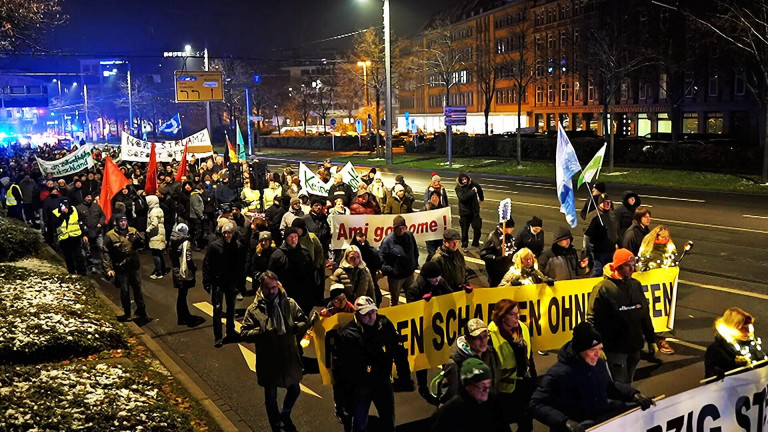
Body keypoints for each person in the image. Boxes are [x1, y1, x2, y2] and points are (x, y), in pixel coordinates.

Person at [529, 321, 656, 432]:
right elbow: (535, 404)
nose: (598, 354)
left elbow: (608, 386)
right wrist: (565, 422)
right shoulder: (558, 373)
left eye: (600, 349)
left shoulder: (599, 364)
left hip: (599, 425)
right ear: (580, 351)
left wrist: (633, 394)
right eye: (592, 350)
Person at [332, 296, 414, 432]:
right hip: (360, 386)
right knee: (359, 424)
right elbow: (340, 370)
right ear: (357, 314)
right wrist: (341, 401)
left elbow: (399, 351)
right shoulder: (347, 334)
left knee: (388, 421)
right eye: (366, 314)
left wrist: (405, 377)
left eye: (373, 312)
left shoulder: (384, 324)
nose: (371, 317)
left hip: (382, 381)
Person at [240, 271, 308, 432]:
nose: (272, 291)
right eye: (268, 288)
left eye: (274, 288)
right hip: (268, 358)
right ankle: (275, 423)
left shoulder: (288, 303)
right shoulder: (254, 309)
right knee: (270, 396)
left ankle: (285, 414)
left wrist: (295, 327)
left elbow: (302, 319)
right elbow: (244, 333)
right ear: (261, 288)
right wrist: (263, 332)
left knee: (294, 389)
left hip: (288, 356)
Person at [587, 248, 665, 384]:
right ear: (618, 266)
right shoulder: (603, 288)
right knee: (620, 383)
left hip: (634, 346)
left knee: (628, 381)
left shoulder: (636, 285)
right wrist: (597, 346)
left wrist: (651, 339)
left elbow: (644, 314)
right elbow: (592, 320)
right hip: (615, 348)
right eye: (628, 266)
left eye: (633, 265)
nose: (632, 269)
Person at [488, 299, 536, 431]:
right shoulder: (491, 335)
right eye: (512, 314)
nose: (517, 317)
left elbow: (530, 359)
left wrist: (534, 384)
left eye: (518, 313)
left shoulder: (523, 329)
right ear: (502, 316)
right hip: (504, 391)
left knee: (526, 425)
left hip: (524, 386)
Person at [432, 358, 510, 432]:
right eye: (481, 386)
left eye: (488, 385)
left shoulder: (494, 403)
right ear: (468, 387)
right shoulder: (450, 412)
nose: (486, 390)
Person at [438, 318, 500, 406]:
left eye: (485, 336)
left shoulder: (491, 353)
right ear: (468, 340)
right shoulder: (454, 364)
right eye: (478, 338)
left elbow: (495, 384)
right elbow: (447, 401)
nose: (483, 341)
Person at [203, 223, 246, 347]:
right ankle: (218, 336)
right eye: (225, 233)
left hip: (231, 282)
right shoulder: (214, 246)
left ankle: (230, 331)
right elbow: (207, 264)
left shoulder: (237, 247)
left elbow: (240, 267)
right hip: (217, 283)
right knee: (217, 309)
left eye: (230, 233)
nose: (227, 235)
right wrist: (206, 282)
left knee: (231, 308)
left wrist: (241, 284)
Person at [102, 214, 147, 322]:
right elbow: (106, 252)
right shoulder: (110, 235)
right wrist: (108, 268)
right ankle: (127, 313)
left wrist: (136, 240)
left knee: (138, 290)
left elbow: (142, 245)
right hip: (121, 268)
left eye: (125, 221)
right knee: (125, 290)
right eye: (121, 221)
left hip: (133, 266)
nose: (123, 223)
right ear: (116, 223)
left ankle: (142, 311)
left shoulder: (132, 231)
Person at [705, 307, 768, 379]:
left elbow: (760, 362)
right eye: (742, 328)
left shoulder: (750, 342)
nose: (748, 331)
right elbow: (710, 378)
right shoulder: (716, 350)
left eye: (749, 326)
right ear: (731, 328)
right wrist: (715, 373)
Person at [268, 227, 316, 315]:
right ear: (286, 239)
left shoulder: (305, 253)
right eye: (290, 237)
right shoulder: (277, 256)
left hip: (303, 294)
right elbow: (271, 276)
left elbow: (311, 273)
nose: (294, 240)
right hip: (286, 294)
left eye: (295, 236)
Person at [168, 224, 204, 327]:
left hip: (176, 269)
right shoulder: (186, 242)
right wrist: (194, 268)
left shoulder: (172, 240)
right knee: (183, 295)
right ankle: (185, 318)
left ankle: (182, 317)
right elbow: (188, 259)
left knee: (181, 295)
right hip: (183, 271)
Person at [379, 215, 419, 306]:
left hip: (409, 274)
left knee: (411, 296)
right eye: (399, 228)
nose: (401, 230)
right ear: (394, 228)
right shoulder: (387, 241)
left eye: (403, 228)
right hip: (396, 277)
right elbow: (381, 257)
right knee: (394, 299)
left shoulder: (409, 236)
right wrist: (390, 270)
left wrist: (415, 264)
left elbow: (415, 250)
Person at [583, 194, 618, 277]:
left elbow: (616, 230)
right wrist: (597, 229)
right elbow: (586, 231)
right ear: (600, 203)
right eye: (606, 202)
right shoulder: (594, 215)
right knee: (598, 271)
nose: (608, 204)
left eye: (609, 202)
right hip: (599, 250)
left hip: (611, 249)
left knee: (610, 270)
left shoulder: (612, 215)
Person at [52, 197, 87, 275]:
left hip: (75, 237)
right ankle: (72, 272)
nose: (65, 207)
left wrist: (84, 235)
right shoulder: (55, 212)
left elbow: (80, 222)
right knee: (68, 257)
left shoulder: (74, 210)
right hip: (64, 238)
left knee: (78, 256)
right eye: (63, 205)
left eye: (66, 205)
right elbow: (55, 224)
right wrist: (63, 215)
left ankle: (82, 273)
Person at [350, 230, 384, 307]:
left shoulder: (371, 252)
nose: (362, 244)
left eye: (363, 242)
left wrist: (380, 272)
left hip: (370, 281)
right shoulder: (350, 252)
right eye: (359, 242)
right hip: (354, 284)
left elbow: (379, 264)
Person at [480, 219, 516, 287]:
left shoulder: (508, 236)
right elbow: (483, 254)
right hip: (495, 272)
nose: (513, 229)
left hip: (506, 270)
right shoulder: (492, 238)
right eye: (511, 227)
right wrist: (497, 258)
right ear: (504, 227)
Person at [76, 193, 105, 273]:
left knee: (101, 248)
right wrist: (84, 234)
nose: (89, 198)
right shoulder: (79, 208)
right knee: (88, 251)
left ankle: (104, 266)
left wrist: (101, 223)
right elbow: (78, 221)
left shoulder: (96, 206)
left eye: (90, 196)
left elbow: (102, 215)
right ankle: (91, 266)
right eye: (87, 196)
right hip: (87, 233)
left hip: (97, 231)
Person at [455, 172, 484, 249]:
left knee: (477, 227)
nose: (464, 181)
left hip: (474, 211)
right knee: (464, 230)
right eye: (463, 180)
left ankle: (475, 243)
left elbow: (479, 189)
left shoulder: (473, 184)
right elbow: (463, 198)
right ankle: (464, 245)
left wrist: (481, 199)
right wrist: (472, 192)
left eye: (465, 179)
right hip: (465, 212)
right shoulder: (458, 188)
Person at [145, 195, 167, 279]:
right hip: (161, 232)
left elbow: (154, 223)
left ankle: (158, 272)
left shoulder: (153, 212)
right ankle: (163, 269)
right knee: (159, 253)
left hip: (155, 234)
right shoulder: (159, 209)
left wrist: (148, 229)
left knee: (155, 254)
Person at [423, 189, 448, 261]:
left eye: (436, 197)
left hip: (439, 235)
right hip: (429, 235)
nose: (434, 199)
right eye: (432, 197)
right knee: (431, 253)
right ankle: (427, 267)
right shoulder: (426, 208)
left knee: (439, 253)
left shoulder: (443, 209)